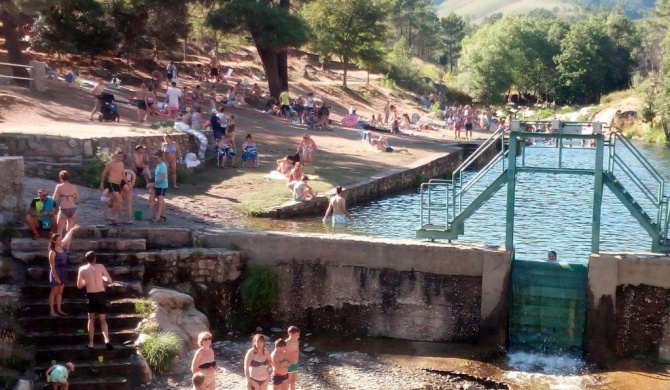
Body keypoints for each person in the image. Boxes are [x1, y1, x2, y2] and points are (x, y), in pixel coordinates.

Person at [76, 251, 114, 351]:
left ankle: (91, 343)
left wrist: (85, 281)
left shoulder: (82, 269)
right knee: (103, 319)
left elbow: (79, 286)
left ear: (86, 259)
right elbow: (110, 281)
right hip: (101, 294)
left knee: (91, 319)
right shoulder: (100, 266)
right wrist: (102, 277)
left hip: (91, 295)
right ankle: (106, 340)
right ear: (95, 258)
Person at [48, 226, 79, 317]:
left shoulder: (61, 247)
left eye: (60, 240)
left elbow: (67, 237)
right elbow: (52, 266)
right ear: (54, 241)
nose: (60, 241)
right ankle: (52, 311)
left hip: (63, 271)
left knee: (60, 291)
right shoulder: (52, 252)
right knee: (54, 292)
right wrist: (56, 277)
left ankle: (59, 309)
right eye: (58, 240)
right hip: (56, 272)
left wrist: (72, 230)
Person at [99, 149, 125, 226]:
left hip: (118, 184)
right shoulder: (110, 164)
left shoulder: (122, 164)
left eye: (120, 157)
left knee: (116, 202)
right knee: (119, 201)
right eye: (117, 156)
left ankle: (113, 217)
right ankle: (112, 217)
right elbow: (104, 173)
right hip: (112, 183)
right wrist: (101, 183)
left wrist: (128, 183)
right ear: (115, 156)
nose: (119, 158)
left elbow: (123, 174)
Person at [53, 171, 79, 236]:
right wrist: (70, 196)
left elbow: (54, 198)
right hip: (73, 208)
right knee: (69, 231)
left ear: (60, 177)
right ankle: (67, 246)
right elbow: (77, 197)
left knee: (59, 231)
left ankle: (59, 246)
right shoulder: (73, 186)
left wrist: (61, 196)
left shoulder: (59, 186)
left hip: (63, 208)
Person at [286, 326, 300, 390]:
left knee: (293, 381)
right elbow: (281, 353)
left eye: (299, 335)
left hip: (295, 363)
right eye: (297, 335)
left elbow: (297, 350)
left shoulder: (296, 341)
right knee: (287, 381)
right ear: (290, 334)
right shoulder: (286, 343)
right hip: (289, 365)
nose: (298, 336)